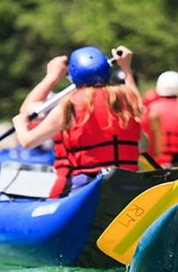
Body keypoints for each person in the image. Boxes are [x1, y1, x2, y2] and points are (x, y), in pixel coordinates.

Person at [12, 46, 161, 198]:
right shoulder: (126, 101)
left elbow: (27, 139)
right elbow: (143, 145)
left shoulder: (69, 106)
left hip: (87, 187)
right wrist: (127, 69)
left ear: (73, 76)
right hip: (128, 184)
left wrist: (52, 76)